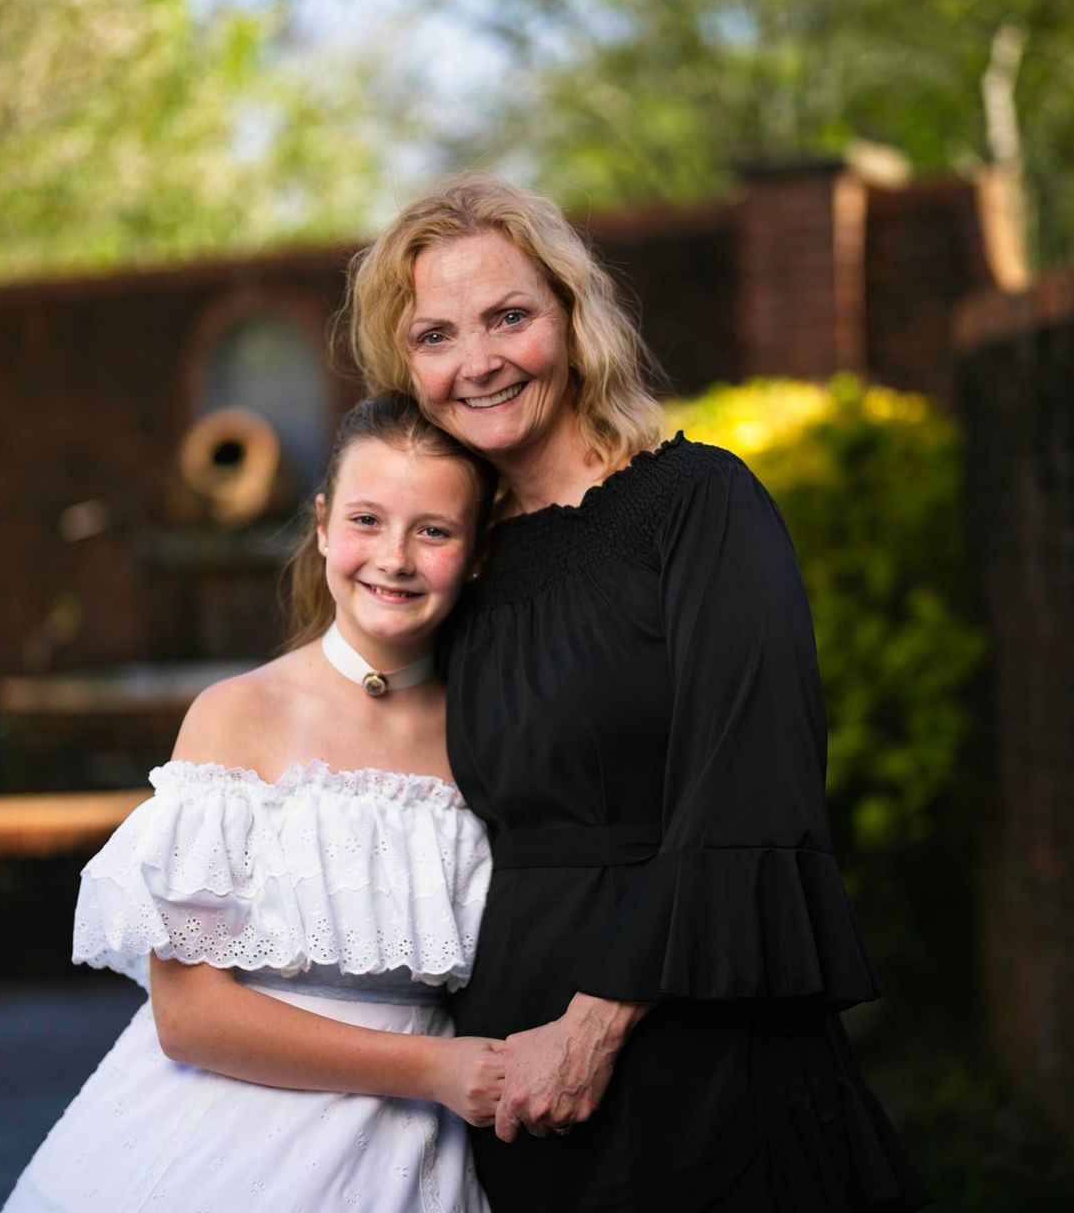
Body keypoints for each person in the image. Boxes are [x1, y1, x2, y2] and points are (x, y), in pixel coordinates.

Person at [346, 176, 932, 1211]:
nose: (476, 361)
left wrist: (591, 1026)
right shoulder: (454, 562)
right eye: (435, 335)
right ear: (407, 366)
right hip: (511, 1077)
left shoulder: (698, 507)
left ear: (573, 318)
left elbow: (754, 785)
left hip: (691, 1047)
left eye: (509, 316)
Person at [2, 393, 500, 1213]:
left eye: (434, 531)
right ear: (323, 524)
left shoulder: (491, 733)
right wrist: (434, 1070)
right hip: (225, 1143)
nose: (395, 558)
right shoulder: (239, 715)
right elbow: (190, 1017)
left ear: (477, 553)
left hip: (417, 1164)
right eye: (367, 520)